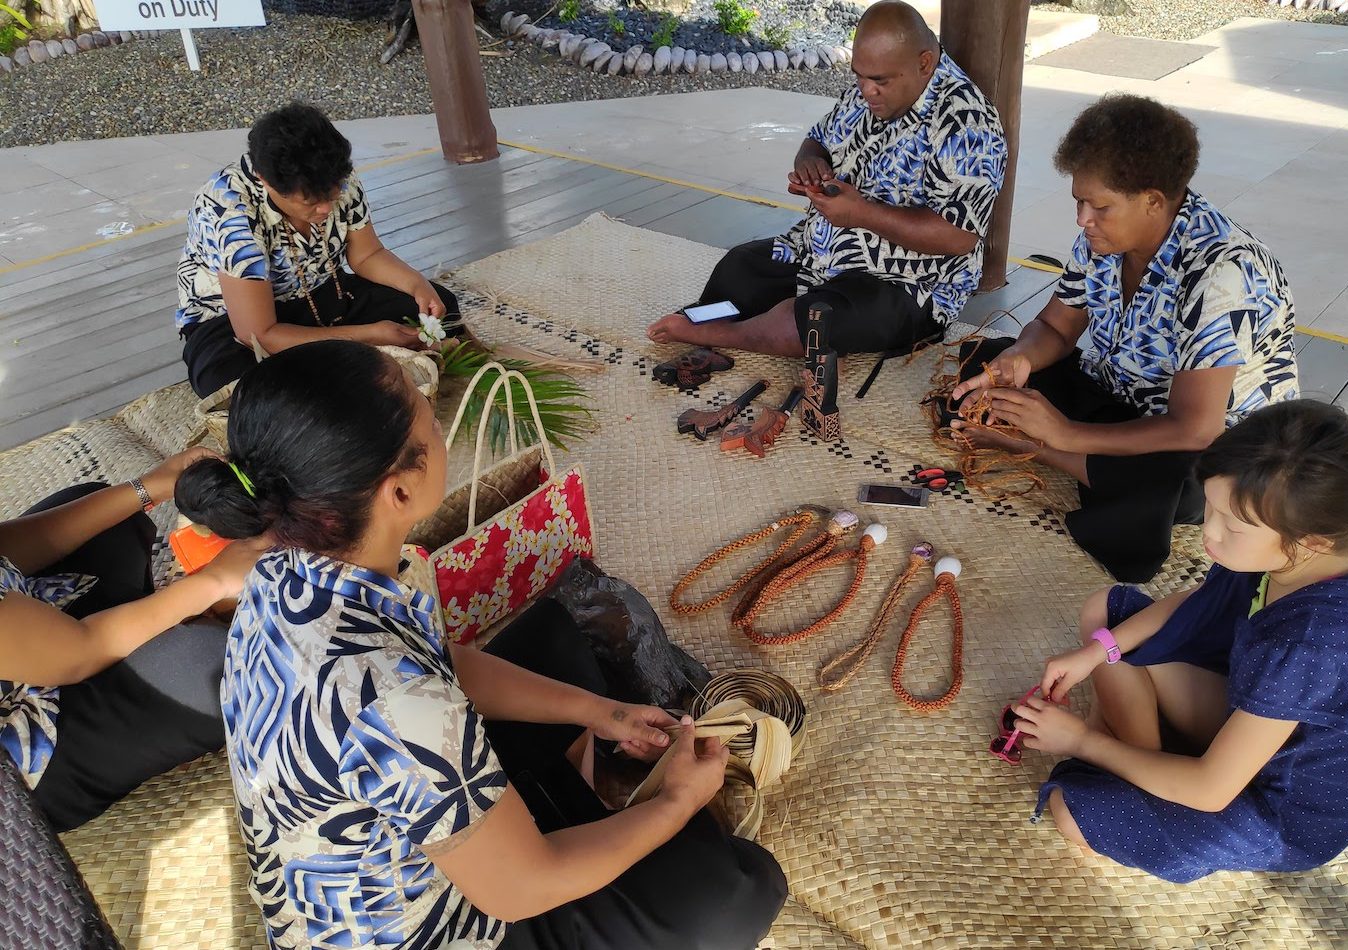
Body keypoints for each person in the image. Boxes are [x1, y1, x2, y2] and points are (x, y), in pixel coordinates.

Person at [175, 340, 786, 950]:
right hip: (432, 928)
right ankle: (564, 814)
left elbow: (437, 664)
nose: (441, 427)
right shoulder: (394, 698)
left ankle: (558, 805)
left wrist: (605, 713)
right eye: (427, 417)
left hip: (384, 809)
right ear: (399, 492)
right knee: (742, 887)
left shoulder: (280, 568)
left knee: (554, 634)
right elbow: (520, 887)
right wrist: (678, 800)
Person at [1010, 400, 1348, 884]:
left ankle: (1146, 774)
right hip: (1256, 711)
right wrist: (1095, 653)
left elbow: (1213, 790)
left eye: (1231, 526)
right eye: (1210, 509)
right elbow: (1198, 598)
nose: (1208, 535)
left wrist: (1083, 742)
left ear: (1313, 539)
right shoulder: (1305, 549)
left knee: (1069, 808)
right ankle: (1149, 767)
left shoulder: (1313, 645)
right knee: (1104, 618)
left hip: (1277, 804)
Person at [950, 94, 1299, 583]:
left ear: (1154, 200)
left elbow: (1195, 428)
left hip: (1210, 439)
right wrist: (1019, 360)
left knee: (1177, 483)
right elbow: (1056, 327)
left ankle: (1037, 448)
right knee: (983, 360)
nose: (1082, 219)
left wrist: (1061, 434)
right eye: (1079, 201)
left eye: (1099, 206)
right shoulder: (1102, 239)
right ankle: (1052, 442)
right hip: (1123, 396)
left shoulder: (1222, 273)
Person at [646, 0, 1006, 358]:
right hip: (822, 251)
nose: (866, 91)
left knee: (814, 322)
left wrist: (861, 214)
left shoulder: (967, 124)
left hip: (908, 283)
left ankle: (723, 335)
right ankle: (717, 321)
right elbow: (819, 138)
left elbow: (957, 237)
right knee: (738, 269)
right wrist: (810, 164)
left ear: (924, 63)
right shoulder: (873, 86)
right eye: (859, 76)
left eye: (878, 81)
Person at [0, 453, 265, 830]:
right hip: (23, 758)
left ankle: (142, 644)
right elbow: (81, 650)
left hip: (28, 636)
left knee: (109, 516)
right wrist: (214, 581)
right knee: (214, 663)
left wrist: (148, 488)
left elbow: (14, 547)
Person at [175, 102, 462, 397]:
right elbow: (257, 335)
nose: (325, 208)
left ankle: (345, 371)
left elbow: (367, 255)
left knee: (440, 305)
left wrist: (418, 284)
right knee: (236, 386)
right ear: (266, 180)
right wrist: (369, 335)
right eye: (310, 202)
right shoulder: (230, 209)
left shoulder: (335, 174)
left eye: (332, 194)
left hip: (322, 293)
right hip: (233, 322)